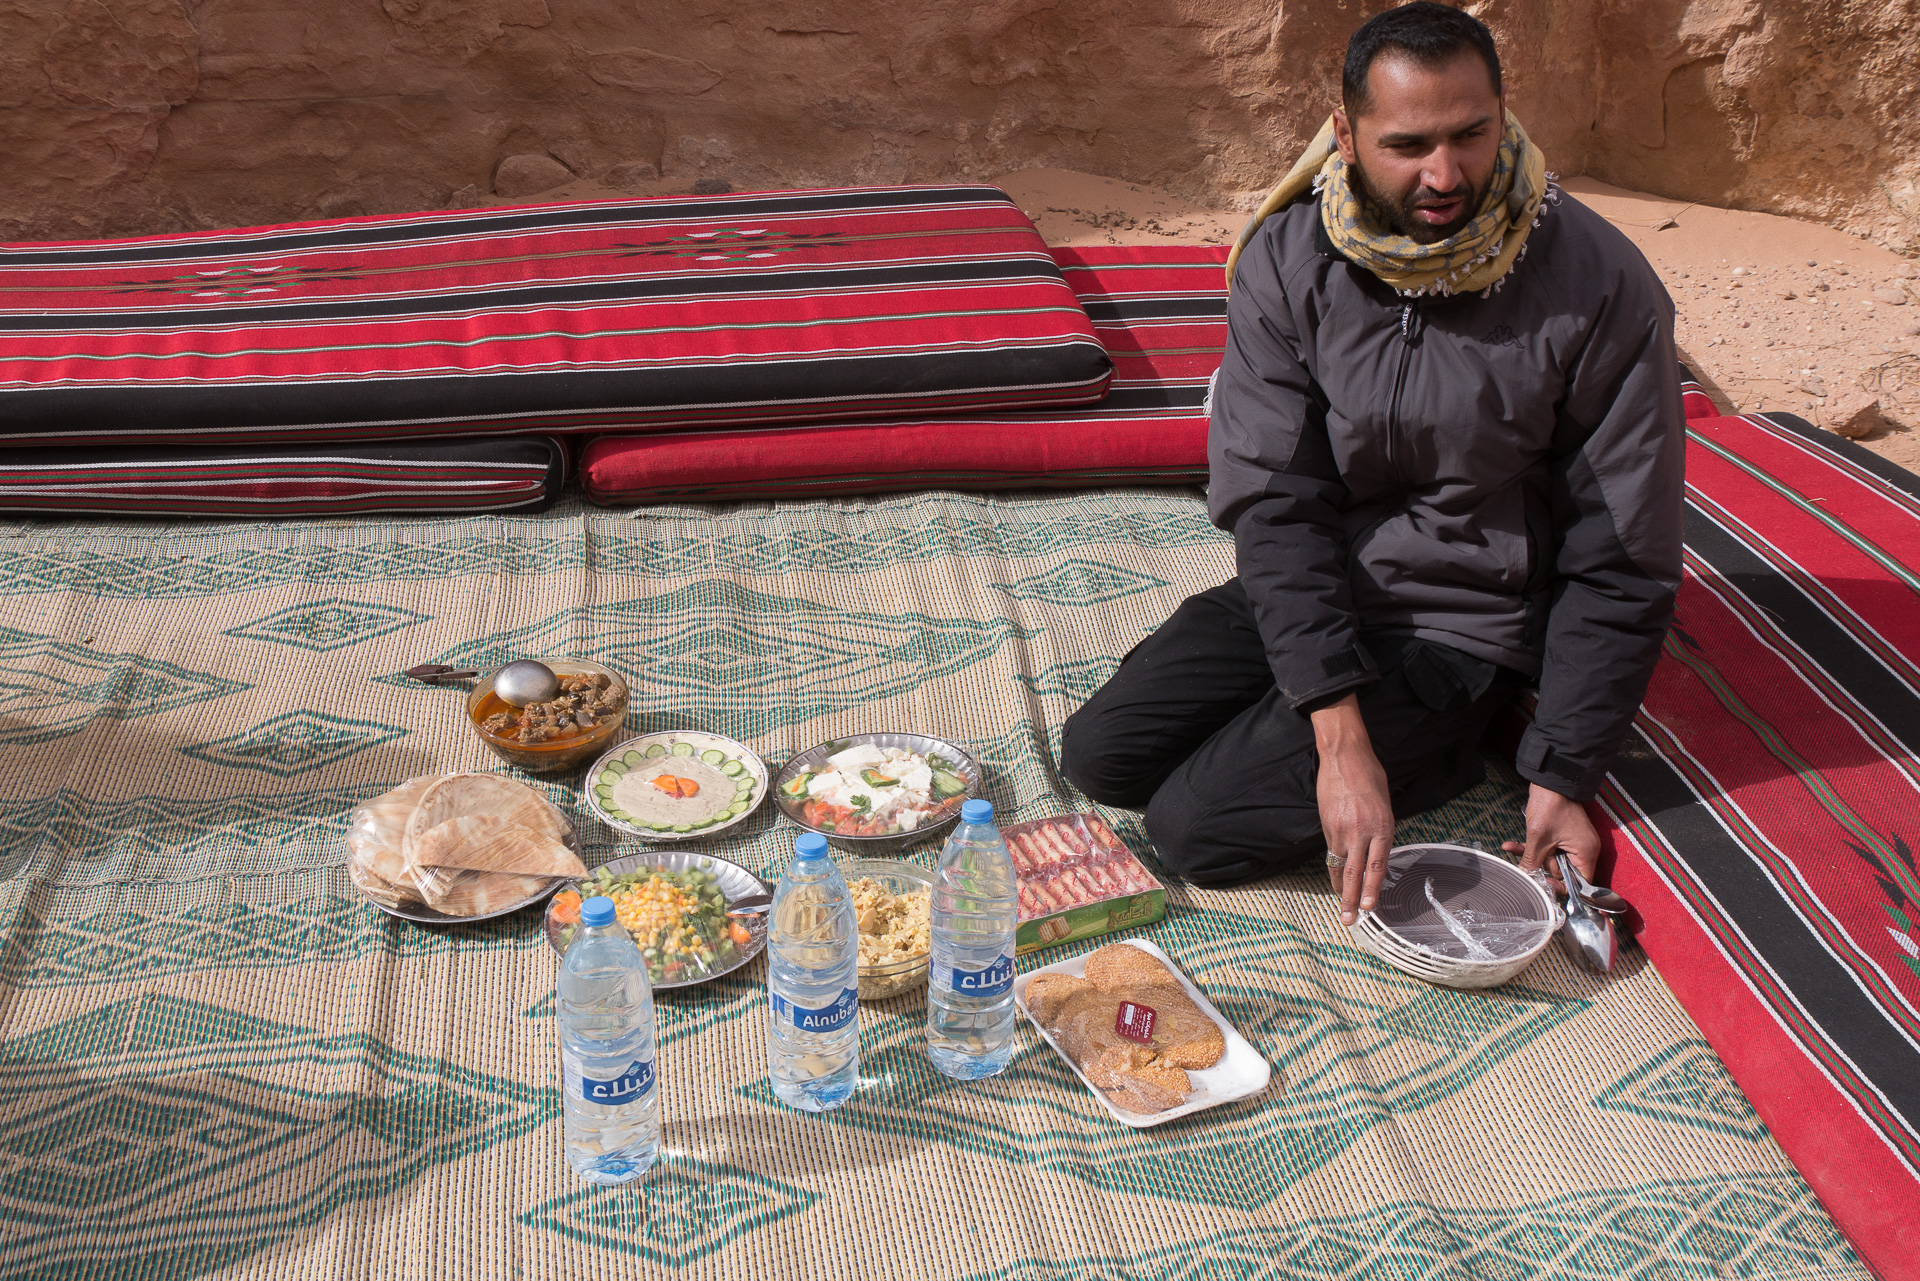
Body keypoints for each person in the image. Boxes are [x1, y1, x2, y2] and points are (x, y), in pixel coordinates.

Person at [1059, 2, 1683, 927]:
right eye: (1409, 143)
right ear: (1345, 135)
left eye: (1473, 134)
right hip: (1328, 580)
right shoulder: (1287, 255)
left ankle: (1447, 746)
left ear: (1504, 112)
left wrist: (1560, 768)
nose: (1445, 173)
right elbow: (1276, 500)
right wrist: (1336, 726)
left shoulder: (1598, 281)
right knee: (1099, 755)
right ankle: (1337, 719)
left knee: (1195, 829)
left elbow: (1624, 550)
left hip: (1459, 621)